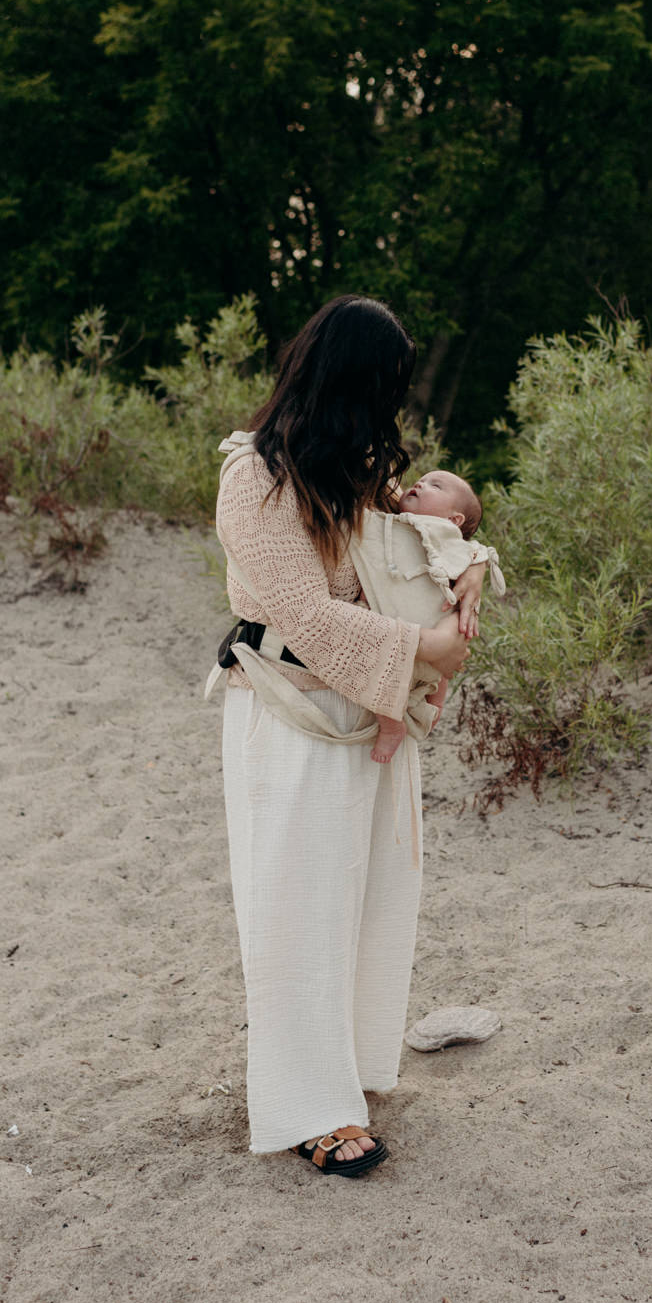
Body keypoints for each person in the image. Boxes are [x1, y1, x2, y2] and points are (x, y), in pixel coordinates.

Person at [214, 295, 484, 1177]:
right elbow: (308, 616)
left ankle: (350, 1072)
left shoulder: (356, 467)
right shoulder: (253, 479)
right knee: (297, 907)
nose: (392, 409)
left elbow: (417, 545)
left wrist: (472, 569)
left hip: (368, 707)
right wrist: (426, 649)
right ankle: (309, 1109)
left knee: (367, 896)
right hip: (289, 709)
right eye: (385, 387)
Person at [366, 469, 499, 764]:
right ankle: (391, 724)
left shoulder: (449, 538)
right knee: (379, 675)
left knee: (441, 674)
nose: (420, 484)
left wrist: (477, 563)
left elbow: (472, 554)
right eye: (421, 480)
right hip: (396, 623)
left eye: (434, 486)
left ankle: (433, 713)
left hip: (436, 618)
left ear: (455, 521)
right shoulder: (394, 523)